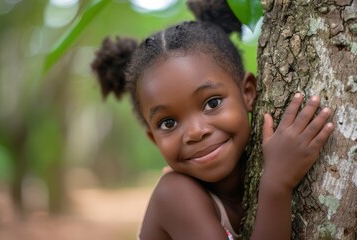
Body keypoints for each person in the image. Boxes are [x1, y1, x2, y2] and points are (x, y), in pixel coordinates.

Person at [91, 1, 334, 239]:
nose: (196, 132)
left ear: (248, 93)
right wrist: (277, 183)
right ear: (154, 139)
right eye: (168, 123)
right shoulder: (174, 195)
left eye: (212, 103)